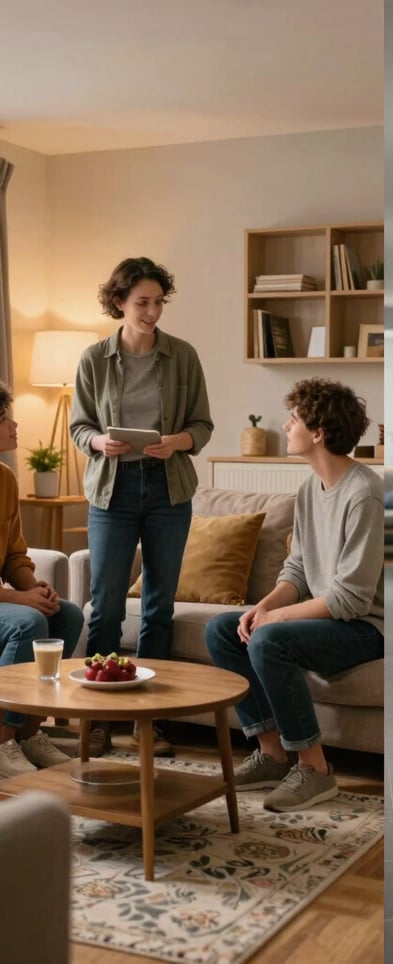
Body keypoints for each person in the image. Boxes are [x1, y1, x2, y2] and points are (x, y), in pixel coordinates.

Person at [205, 377, 384, 812]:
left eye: (294, 419)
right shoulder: (308, 490)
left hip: (365, 627)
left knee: (269, 639)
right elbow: (298, 570)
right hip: (327, 617)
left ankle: (316, 769)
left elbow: (351, 599)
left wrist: (276, 622)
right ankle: (271, 754)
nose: (286, 426)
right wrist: (260, 609)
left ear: (318, 433)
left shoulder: (364, 495)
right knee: (224, 630)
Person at [70, 257, 213, 756]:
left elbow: (203, 426)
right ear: (119, 304)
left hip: (168, 488)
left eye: (158, 302)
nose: (152, 312)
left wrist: (178, 441)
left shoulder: (183, 356)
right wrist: (96, 444)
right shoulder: (93, 359)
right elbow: (79, 426)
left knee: (159, 606)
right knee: (106, 604)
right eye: (142, 303)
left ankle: (149, 721)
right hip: (113, 489)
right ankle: (103, 714)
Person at [0, 382, 85, 777]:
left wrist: (32, 587)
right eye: (5, 419)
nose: (15, 425)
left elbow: (15, 554)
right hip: (6, 608)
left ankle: (29, 732)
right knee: (30, 621)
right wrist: (22, 602)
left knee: (67, 614)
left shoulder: (5, 479)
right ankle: (2, 740)